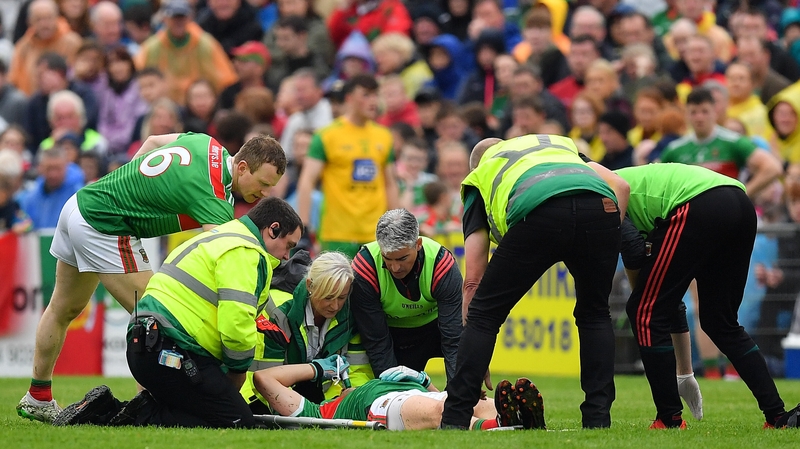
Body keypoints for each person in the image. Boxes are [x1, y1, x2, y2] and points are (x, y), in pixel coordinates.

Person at [16, 133, 288, 423]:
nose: (265, 194)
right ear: (243, 167)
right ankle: (145, 412)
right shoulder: (214, 196)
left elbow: (153, 141)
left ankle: (38, 397)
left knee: (62, 308)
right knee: (154, 320)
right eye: (263, 183)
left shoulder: (206, 144)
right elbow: (228, 251)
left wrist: (128, 187)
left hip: (81, 204)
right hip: (106, 225)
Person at [52, 197, 303, 428]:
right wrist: (237, 371)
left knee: (209, 409)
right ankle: (110, 411)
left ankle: (118, 408)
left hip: (147, 344)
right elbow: (236, 324)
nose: (285, 257)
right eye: (288, 245)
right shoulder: (246, 252)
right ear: (273, 229)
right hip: (171, 350)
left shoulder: (220, 235)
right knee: (238, 421)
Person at [440, 134, 629, 430]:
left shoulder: (480, 177)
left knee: (484, 316)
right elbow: (621, 185)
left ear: (474, 167)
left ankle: (454, 418)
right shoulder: (557, 145)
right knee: (595, 313)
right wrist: (608, 234)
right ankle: (597, 419)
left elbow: (473, 282)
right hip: (600, 206)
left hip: (539, 210)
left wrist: (474, 347)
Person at [612, 162, 800, 429]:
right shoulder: (617, 179)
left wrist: (683, 371)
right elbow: (667, 302)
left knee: (643, 311)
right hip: (739, 201)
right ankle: (778, 415)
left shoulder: (601, 192)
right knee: (720, 322)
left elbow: (635, 260)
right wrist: (684, 372)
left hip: (699, 204)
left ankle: (669, 418)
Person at [240, 250, 372, 409]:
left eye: (342, 297)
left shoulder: (352, 319)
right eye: (328, 297)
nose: (335, 306)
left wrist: (342, 401)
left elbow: (359, 372)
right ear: (310, 285)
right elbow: (264, 380)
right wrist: (305, 410)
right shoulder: (278, 316)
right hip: (270, 400)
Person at [252, 360, 545, 430]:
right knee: (443, 413)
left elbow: (437, 394)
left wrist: (423, 380)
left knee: (464, 402)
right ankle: (499, 424)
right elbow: (264, 378)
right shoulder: (321, 412)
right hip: (379, 406)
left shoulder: (369, 381)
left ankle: (516, 417)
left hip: (416, 393)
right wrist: (317, 369)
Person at [350, 209, 462, 382]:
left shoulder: (441, 265)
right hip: (393, 335)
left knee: (468, 343)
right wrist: (394, 392)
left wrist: (459, 394)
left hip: (436, 328)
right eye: (388, 258)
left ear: (418, 244)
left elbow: (453, 337)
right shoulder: (364, 268)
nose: (395, 268)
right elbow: (377, 340)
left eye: (402, 258)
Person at [296, 74, 399, 259]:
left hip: (375, 234)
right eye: (366, 95)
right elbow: (307, 181)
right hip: (337, 234)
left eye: (376, 95)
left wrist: (397, 223)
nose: (373, 101)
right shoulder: (327, 136)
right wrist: (304, 226)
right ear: (350, 98)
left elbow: (390, 183)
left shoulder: (384, 136)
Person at [660, 87, 782, 200]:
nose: (699, 117)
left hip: (726, 213)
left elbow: (773, 168)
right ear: (686, 115)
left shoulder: (733, 142)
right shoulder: (675, 149)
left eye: (704, 111)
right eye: (694, 112)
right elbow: (657, 181)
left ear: (715, 112)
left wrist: (743, 195)